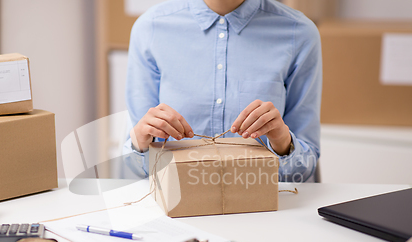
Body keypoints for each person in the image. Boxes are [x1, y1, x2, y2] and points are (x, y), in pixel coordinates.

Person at [123, 0, 321, 182]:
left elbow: (304, 166)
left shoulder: (298, 32)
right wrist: (140, 142)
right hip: (175, 206)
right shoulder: (150, 28)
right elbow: (138, 165)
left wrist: (282, 141)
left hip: (263, 212)